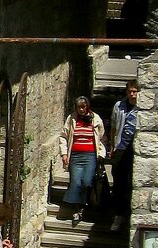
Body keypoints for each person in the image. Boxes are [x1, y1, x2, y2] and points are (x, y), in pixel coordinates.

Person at [59, 96, 105, 225]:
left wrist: (101, 154)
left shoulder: (95, 119)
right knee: (75, 182)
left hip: (90, 155)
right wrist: (64, 154)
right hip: (75, 155)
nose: (81, 110)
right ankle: (77, 210)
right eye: (79, 107)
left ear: (87, 107)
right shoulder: (71, 119)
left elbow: (101, 138)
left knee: (86, 181)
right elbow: (63, 136)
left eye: (83, 107)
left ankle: (84, 203)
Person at [109, 80, 140, 231]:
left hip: (135, 150)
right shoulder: (119, 106)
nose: (132, 94)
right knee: (118, 181)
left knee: (132, 183)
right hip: (120, 147)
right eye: (130, 91)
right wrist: (112, 146)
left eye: (135, 91)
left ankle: (129, 213)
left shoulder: (142, 108)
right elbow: (114, 127)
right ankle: (118, 214)